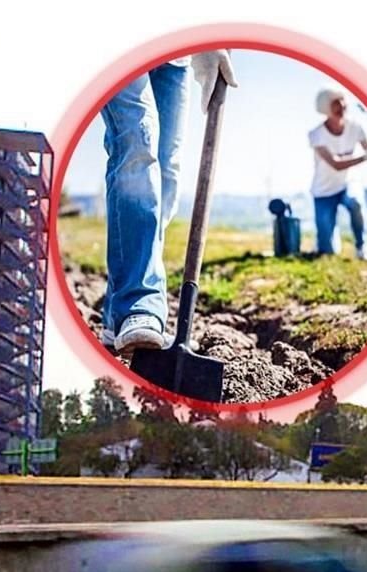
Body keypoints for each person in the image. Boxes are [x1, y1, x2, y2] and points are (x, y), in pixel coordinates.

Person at [100, 51, 237, 353]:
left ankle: (116, 314)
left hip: (176, 59)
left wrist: (207, 41)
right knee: (138, 143)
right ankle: (139, 305)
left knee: (165, 174)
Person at [308, 87, 367, 260]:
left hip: (348, 183)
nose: (342, 106)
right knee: (327, 251)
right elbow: (336, 164)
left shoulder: (356, 127)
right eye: (336, 103)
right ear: (325, 108)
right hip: (323, 190)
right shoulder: (316, 135)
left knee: (356, 203)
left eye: (343, 101)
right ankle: (326, 241)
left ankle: (363, 247)